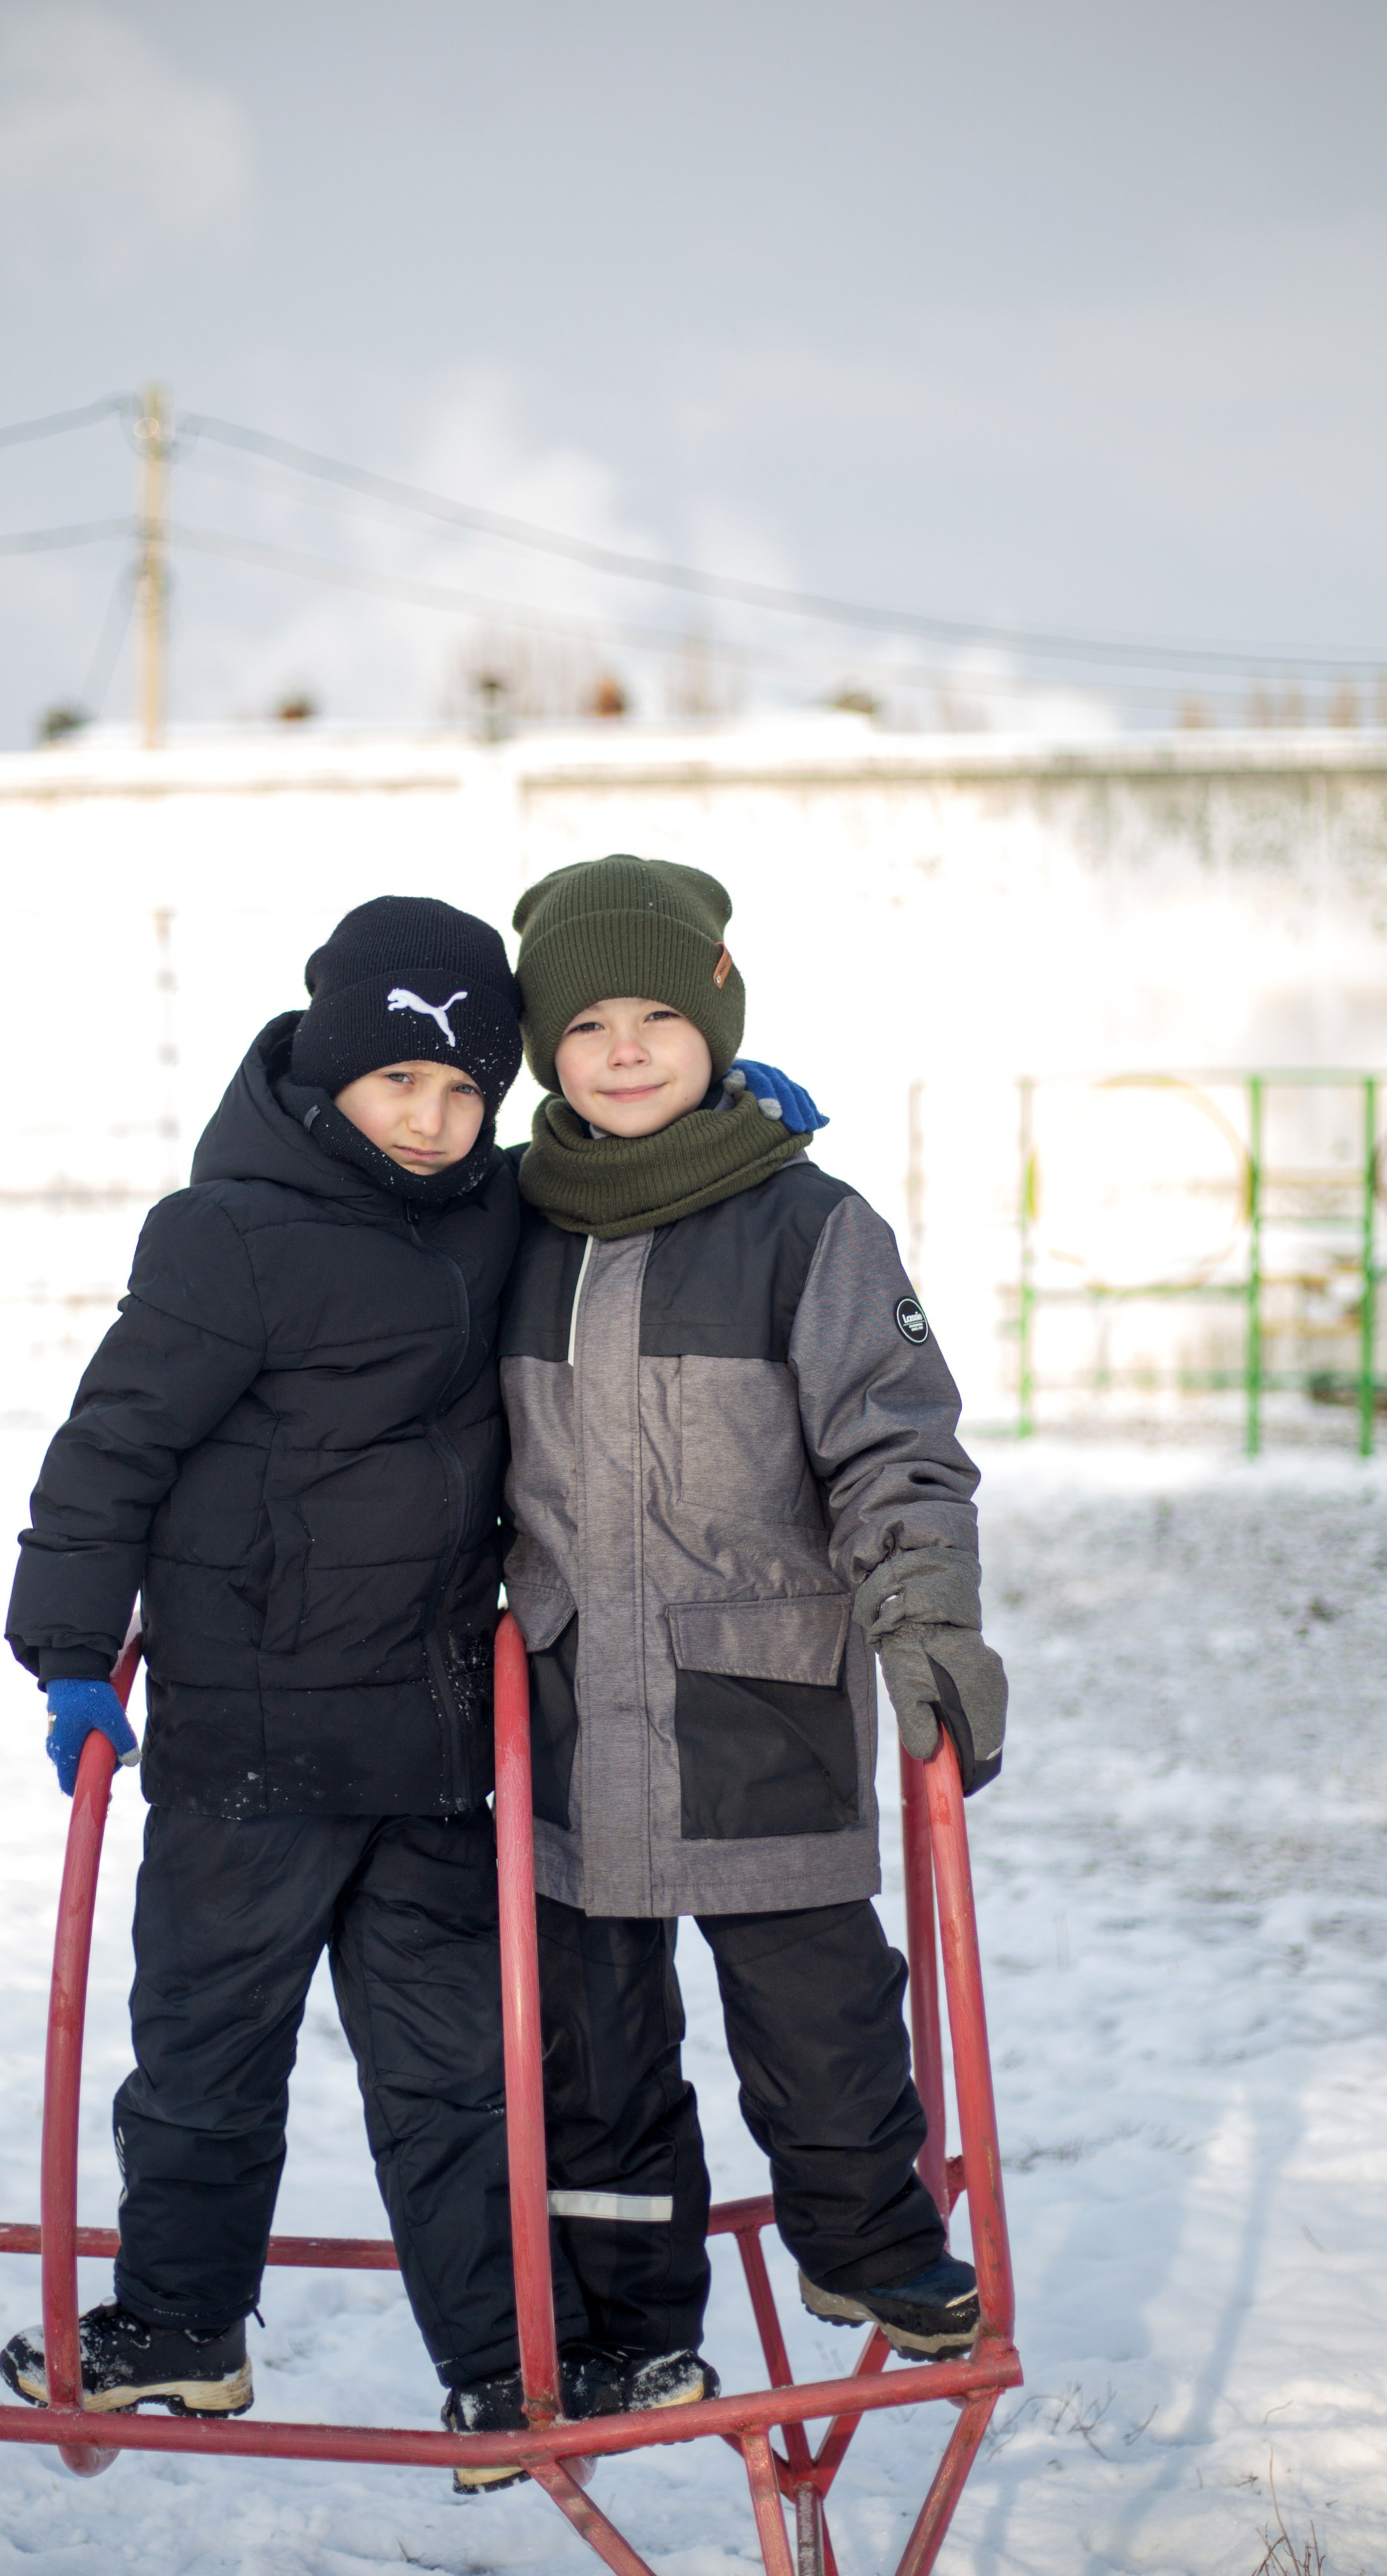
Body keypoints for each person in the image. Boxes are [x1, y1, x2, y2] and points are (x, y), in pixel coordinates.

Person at [0, 895, 576, 2478]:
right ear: (331, 1071)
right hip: (246, 1743)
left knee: (455, 2078)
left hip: (429, 1743)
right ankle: (182, 2325)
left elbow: (625, 1158)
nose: (431, 1117)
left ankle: (501, 2369)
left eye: (464, 1092)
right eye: (400, 1081)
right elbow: (109, 1446)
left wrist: (734, 1120)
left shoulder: (500, 1209)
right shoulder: (226, 1231)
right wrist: (66, 1652)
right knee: (202, 2053)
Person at [497, 852, 1008, 2399]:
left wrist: (924, 1619)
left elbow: (893, 1441)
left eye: (661, 1011)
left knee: (823, 2014)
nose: (629, 1048)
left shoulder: (806, 1225)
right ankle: (632, 2317)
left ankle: (863, 2239)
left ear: (718, 1020)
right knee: (589, 2054)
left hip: (757, 1710)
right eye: (587, 1024)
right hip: (571, 1711)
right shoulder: (507, 1229)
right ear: (543, 1052)